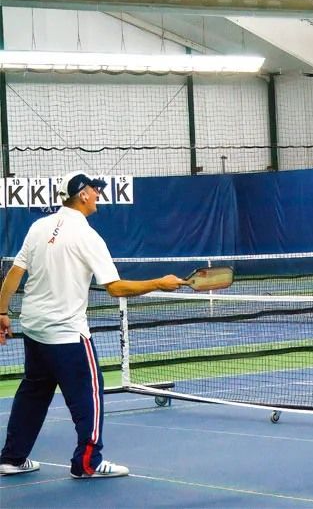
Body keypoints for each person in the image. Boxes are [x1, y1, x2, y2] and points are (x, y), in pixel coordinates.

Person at [0, 171, 187, 478]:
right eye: (95, 191)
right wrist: (159, 283)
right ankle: (88, 462)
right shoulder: (88, 236)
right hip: (68, 334)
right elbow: (115, 288)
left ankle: (12, 457)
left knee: (33, 393)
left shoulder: (38, 227)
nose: (99, 195)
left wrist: (1, 312)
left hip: (34, 329)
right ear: (83, 194)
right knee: (90, 394)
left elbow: (15, 273)